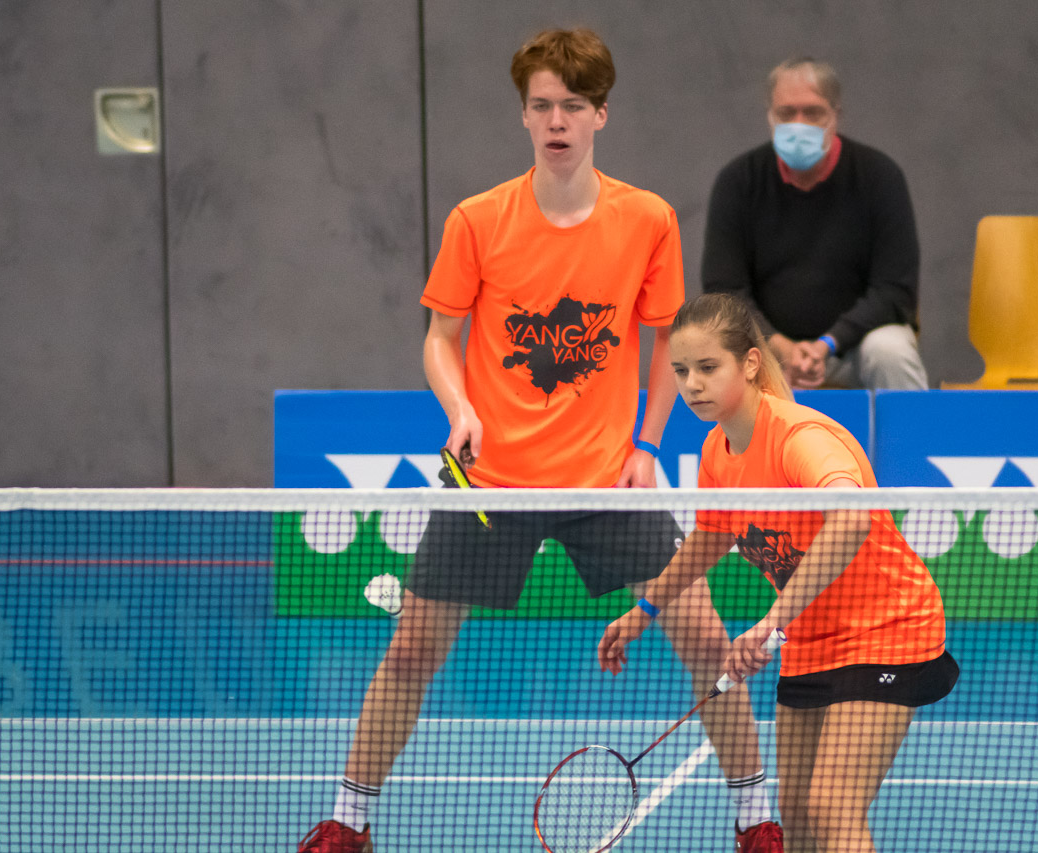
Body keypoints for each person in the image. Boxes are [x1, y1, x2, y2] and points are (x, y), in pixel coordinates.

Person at [297, 30, 782, 853]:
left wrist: (646, 444)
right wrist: (458, 407)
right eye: (542, 106)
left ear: (601, 115)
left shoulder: (647, 219)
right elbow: (439, 338)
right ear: (524, 115)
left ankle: (755, 819)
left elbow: (666, 340)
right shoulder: (478, 219)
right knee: (411, 648)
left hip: (605, 482)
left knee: (706, 638)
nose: (557, 121)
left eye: (573, 106)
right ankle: (349, 819)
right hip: (492, 482)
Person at [598, 293, 958, 851]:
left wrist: (770, 623)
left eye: (707, 367)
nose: (692, 384)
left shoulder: (799, 437)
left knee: (831, 809)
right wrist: (645, 610)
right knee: (796, 815)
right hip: (812, 639)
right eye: (681, 371)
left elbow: (852, 519)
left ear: (749, 363)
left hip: (887, 629)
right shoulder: (717, 450)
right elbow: (712, 535)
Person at [701, 58, 929, 391]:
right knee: (719, 350)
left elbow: (895, 291)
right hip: (767, 352)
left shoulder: (879, 177)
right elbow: (725, 292)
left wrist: (827, 344)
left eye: (813, 112)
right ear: (770, 115)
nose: (799, 124)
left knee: (890, 351)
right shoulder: (738, 182)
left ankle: (908, 429)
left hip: (851, 350)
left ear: (836, 115)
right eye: (786, 113)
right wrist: (781, 348)